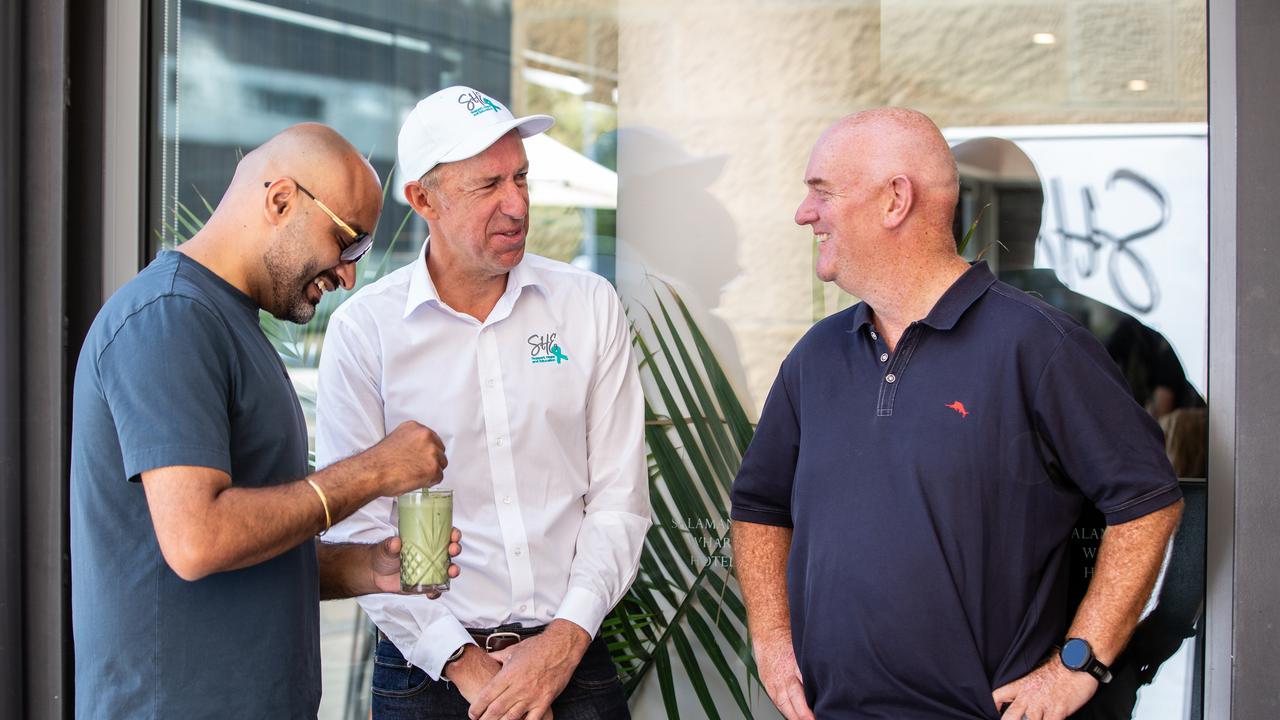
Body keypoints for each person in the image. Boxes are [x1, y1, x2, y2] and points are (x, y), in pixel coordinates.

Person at [730, 108, 1184, 720]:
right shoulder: (816, 356)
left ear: (896, 200)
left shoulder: (1037, 346)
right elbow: (760, 505)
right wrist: (774, 641)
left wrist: (1080, 661)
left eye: (822, 193)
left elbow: (1148, 502)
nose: (804, 213)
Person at [70, 123, 461, 720]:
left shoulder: (227, 323)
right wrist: (377, 470)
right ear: (281, 200)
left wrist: (364, 568)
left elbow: (247, 544)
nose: (350, 274)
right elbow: (200, 539)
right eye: (348, 241)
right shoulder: (170, 318)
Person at [315, 86, 649, 720]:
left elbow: (619, 501)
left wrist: (560, 648)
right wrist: (468, 669)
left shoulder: (587, 305)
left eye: (522, 177)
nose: (517, 204)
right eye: (488, 185)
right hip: (425, 674)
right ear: (422, 199)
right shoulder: (366, 331)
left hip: (571, 660)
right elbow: (358, 530)